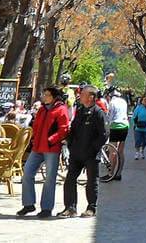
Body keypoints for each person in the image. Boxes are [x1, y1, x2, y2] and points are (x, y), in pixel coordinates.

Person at [17, 87, 70, 218]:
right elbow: (35, 126)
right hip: (38, 148)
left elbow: (64, 129)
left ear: (54, 97)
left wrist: (51, 140)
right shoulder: (41, 109)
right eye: (44, 94)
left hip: (51, 148)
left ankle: (46, 208)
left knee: (49, 179)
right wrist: (34, 139)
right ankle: (28, 204)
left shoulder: (61, 109)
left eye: (47, 95)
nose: (44, 97)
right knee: (27, 174)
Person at [59, 85, 108, 218]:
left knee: (91, 181)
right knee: (70, 179)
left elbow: (104, 134)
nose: (79, 96)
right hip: (76, 153)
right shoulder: (80, 110)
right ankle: (70, 208)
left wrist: (93, 149)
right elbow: (73, 129)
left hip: (91, 154)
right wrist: (68, 142)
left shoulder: (98, 112)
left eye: (83, 94)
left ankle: (91, 208)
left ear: (91, 97)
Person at [102, 90, 129, 181]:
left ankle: (111, 174)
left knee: (112, 151)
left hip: (115, 126)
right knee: (120, 151)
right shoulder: (123, 101)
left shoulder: (112, 103)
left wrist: (106, 126)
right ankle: (119, 173)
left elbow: (110, 116)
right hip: (125, 126)